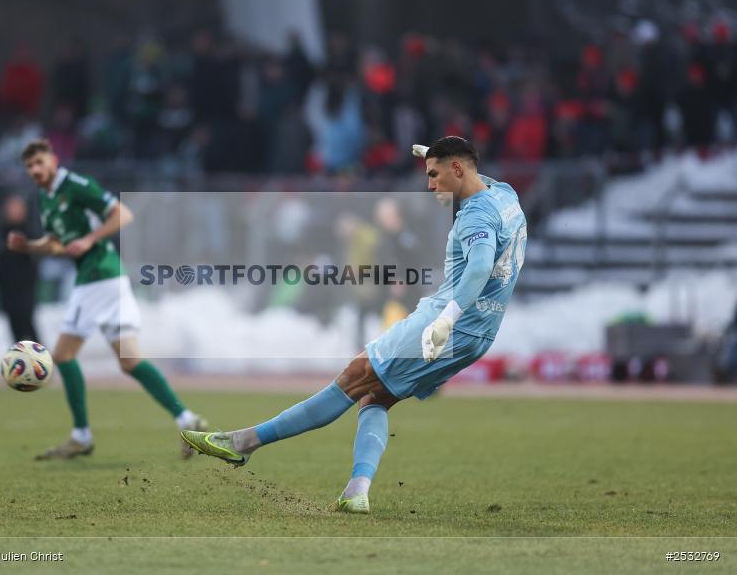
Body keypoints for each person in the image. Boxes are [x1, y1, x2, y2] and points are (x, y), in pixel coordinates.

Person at [182, 136, 527, 514]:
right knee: (375, 397)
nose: (430, 185)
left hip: (448, 322)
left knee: (352, 377)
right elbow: (474, 175)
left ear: (458, 169)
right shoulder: (504, 194)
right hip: (482, 332)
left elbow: (478, 267)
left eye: (435, 175)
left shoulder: (476, 214)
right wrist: (434, 153)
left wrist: (446, 320)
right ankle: (356, 491)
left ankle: (242, 442)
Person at [7, 139, 207, 460]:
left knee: (63, 355)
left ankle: (81, 436)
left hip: (98, 276)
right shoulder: (46, 199)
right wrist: (29, 246)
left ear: (53, 160)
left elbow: (121, 215)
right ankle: (188, 420)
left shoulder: (77, 185)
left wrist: (89, 239)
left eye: (39, 163)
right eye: (29, 166)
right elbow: (59, 244)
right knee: (130, 361)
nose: (35, 170)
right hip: (108, 279)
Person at [0, 195, 40, 343]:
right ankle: (22, 363)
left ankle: (40, 362)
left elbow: (32, 262)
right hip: (7, 293)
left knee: (28, 330)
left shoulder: (27, 233)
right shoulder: (2, 233)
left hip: (24, 292)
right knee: (15, 333)